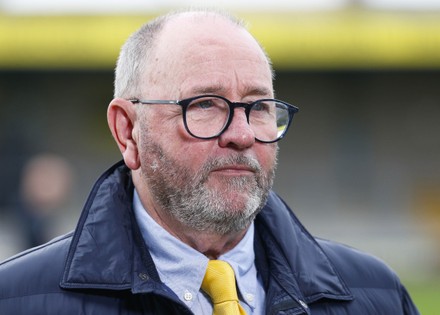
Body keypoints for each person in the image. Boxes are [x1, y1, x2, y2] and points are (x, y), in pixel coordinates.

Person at [0, 9, 419, 315]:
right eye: (204, 104)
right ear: (128, 131)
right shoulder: (17, 300)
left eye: (258, 107)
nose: (241, 134)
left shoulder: (377, 295)